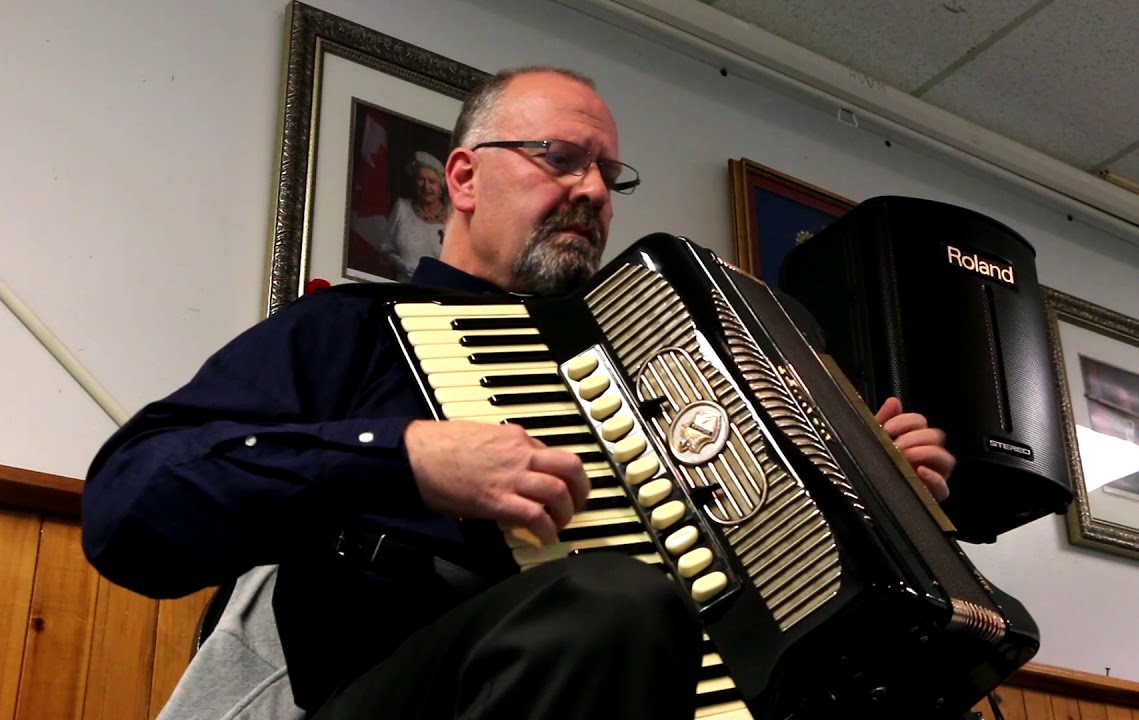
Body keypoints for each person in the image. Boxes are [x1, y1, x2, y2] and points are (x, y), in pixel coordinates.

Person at [81, 66, 956, 720]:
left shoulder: (658, 375)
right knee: (610, 602)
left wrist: (878, 499)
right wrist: (402, 456)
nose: (589, 190)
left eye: (606, 174)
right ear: (462, 179)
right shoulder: (349, 330)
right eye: (558, 158)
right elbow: (127, 509)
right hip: (374, 693)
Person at [381, 151, 448, 281]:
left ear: (441, 186)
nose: (426, 186)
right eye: (421, 179)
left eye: (432, 181)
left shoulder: (452, 219)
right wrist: (400, 264)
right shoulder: (401, 207)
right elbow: (385, 249)